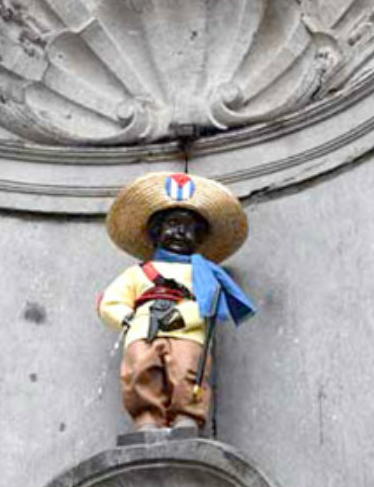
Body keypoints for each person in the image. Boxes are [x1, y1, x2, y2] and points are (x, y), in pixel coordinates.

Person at [98, 172, 256, 432]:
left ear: (199, 237)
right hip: (144, 330)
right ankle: (146, 418)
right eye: (172, 224)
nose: (179, 233)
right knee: (140, 369)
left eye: (188, 227)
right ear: (157, 231)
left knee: (189, 371)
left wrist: (186, 318)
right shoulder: (138, 274)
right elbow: (110, 302)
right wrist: (128, 319)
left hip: (188, 333)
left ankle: (187, 417)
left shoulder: (203, 272)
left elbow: (211, 302)